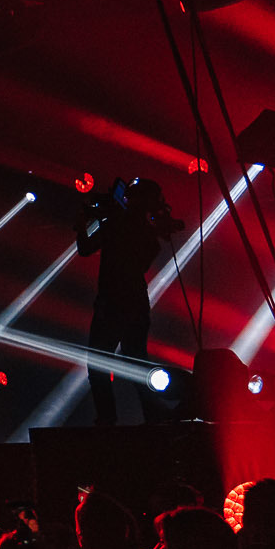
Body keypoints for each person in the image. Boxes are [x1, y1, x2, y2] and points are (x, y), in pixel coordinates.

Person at [74, 176, 182, 424]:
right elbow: (144, 261)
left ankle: (107, 421)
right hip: (136, 302)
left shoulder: (115, 223)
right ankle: (153, 415)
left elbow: (85, 247)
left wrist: (83, 224)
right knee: (137, 361)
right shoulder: (145, 231)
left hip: (112, 303)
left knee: (99, 365)